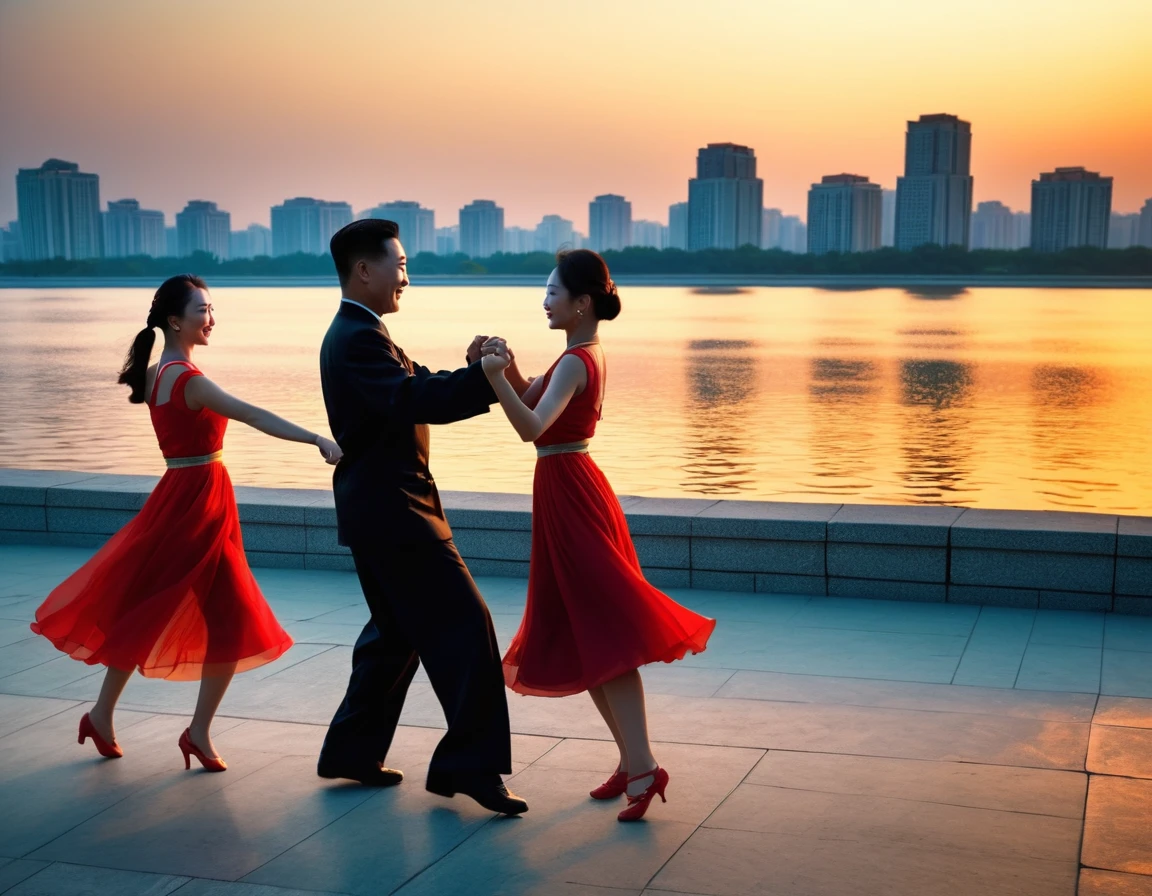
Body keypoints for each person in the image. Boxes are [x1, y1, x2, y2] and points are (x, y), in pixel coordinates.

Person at [30, 274, 342, 772]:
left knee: (146, 608)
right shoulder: (187, 379)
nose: (211, 318)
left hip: (181, 498)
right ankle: (186, 730)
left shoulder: (156, 373)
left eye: (212, 309)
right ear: (175, 320)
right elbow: (253, 415)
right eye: (203, 310)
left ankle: (110, 716)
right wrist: (316, 439)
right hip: (197, 504)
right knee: (227, 617)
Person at [481, 249, 716, 822]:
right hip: (566, 488)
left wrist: (494, 380)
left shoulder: (575, 361)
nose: (545, 301)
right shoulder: (576, 356)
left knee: (608, 637)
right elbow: (536, 406)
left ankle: (643, 767)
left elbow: (531, 428)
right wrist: (507, 369)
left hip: (572, 492)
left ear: (581, 303)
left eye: (553, 293)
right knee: (589, 638)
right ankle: (632, 760)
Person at [316, 219, 527, 816]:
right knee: (468, 627)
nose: (406, 276)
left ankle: (351, 752)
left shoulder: (361, 332)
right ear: (365, 269)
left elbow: (415, 384)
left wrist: (473, 374)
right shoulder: (358, 336)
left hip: (379, 512)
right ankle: (472, 766)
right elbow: (411, 399)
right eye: (400, 265)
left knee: (395, 636)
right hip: (397, 516)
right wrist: (485, 381)